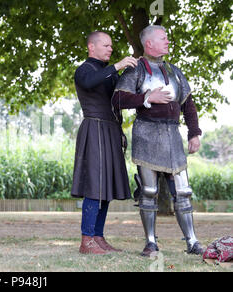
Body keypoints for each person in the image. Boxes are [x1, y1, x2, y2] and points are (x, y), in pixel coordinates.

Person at [112, 25, 204, 257]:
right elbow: (117, 98)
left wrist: (194, 132)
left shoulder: (174, 71)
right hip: (147, 135)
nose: (168, 41)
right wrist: (146, 97)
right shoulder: (136, 70)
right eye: (163, 38)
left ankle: (192, 241)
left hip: (173, 136)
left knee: (183, 192)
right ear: (149, 43)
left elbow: (188, 104)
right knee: (149, 191)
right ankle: (151, 242)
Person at [71, 31, 136, 254]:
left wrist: (146, 98)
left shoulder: (109, 73)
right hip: (94, 129)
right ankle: (86, 240)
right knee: (94, 185)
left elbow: (119, 99)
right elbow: (89, 83)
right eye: (106, 45)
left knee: (106, 186)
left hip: (110, 130)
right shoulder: (84, 69)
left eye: (111, 46)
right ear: (91, 47)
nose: (110, 49)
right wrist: (117, 66)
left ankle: (97, 237)